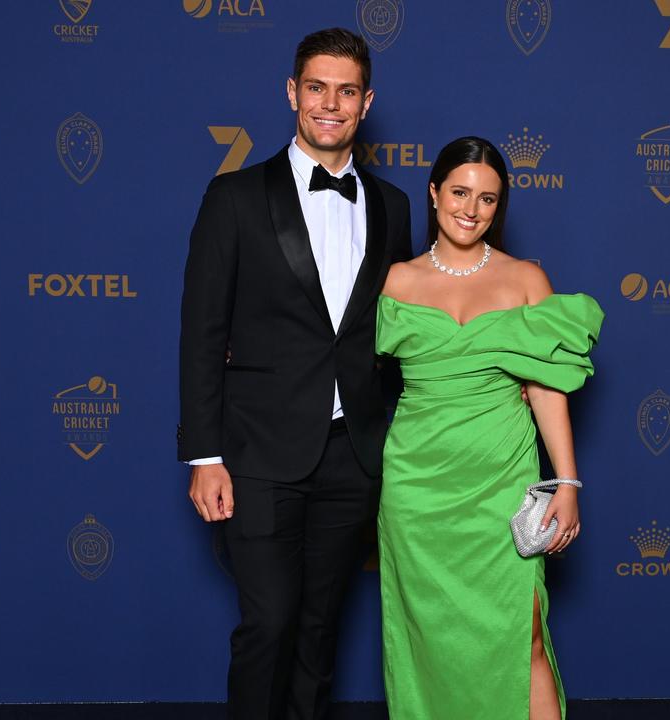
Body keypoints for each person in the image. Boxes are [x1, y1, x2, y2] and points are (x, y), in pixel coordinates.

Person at [178, 28, 411, 720]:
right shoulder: (235, 198)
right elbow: (200, 334)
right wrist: (204, 454)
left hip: (352, 456)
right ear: (292, 93)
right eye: (316, 88)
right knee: (270, 624)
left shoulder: (394, 207)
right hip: (255, 455)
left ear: (367, 103)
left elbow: (402, 335)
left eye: (346, 91)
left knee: (319, 632)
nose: (330, 104)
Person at [376, 137, 603, 719]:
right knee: (428, 644)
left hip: (500, 479)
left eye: (487, 199)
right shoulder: (396, 281)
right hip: (417, 489)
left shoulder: (526, 278)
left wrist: (568, 484)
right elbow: (343, 368)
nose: (470, 209)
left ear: (499, 208)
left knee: (521, 631)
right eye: (458, 192)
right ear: (433, 194)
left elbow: (545, 389)